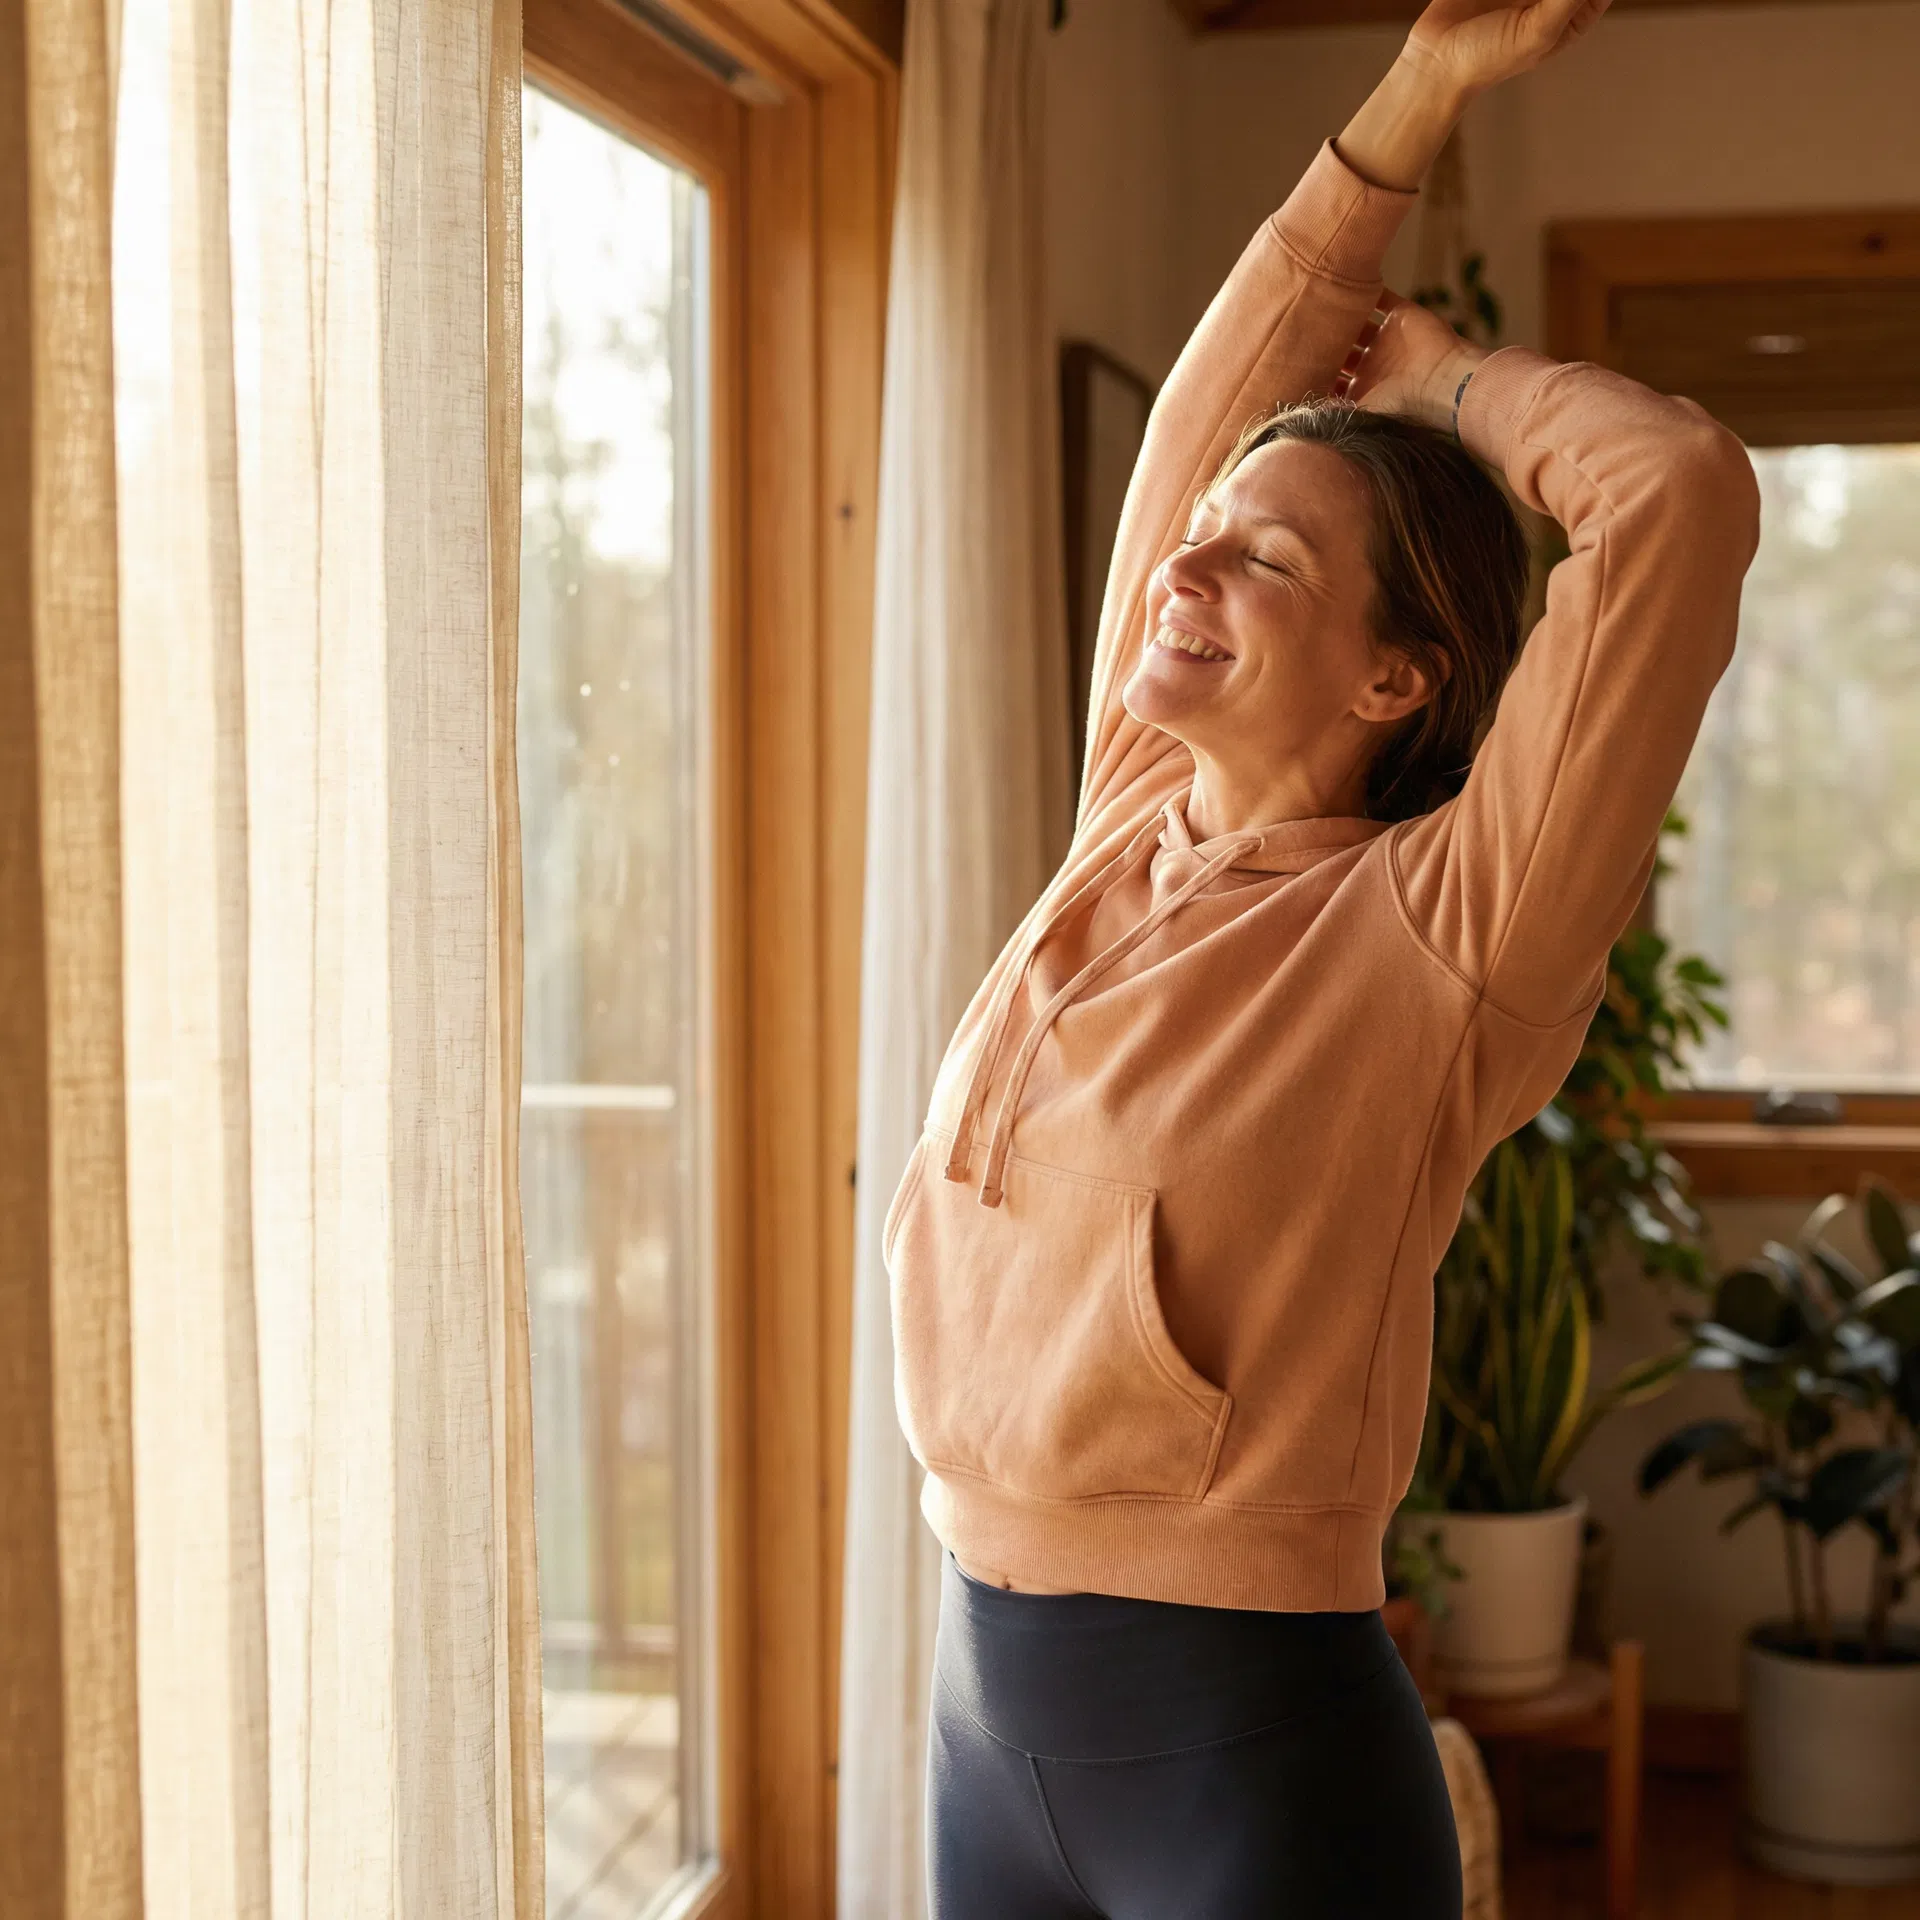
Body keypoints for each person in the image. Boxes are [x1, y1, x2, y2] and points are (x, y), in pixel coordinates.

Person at [880, 0, 1760, 1910]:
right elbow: (1221, 412)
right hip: (978, 1716)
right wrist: (1419, 94)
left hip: (1246, 1763)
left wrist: (1448, 386)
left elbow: (1675, 493)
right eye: (1201, 544)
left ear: (1397, 678)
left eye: (1264, 564)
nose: (1185, 571)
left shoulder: (1446, 928)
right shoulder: (1133, 814)